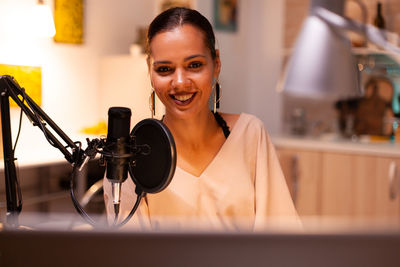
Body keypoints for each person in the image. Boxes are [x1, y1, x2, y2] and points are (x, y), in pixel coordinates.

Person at [104, 7, 300, 231]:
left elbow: (281, 236)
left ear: (216, 63)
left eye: (194, 65)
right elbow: (130, 256)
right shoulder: (128, 158)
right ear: (150, 70)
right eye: (165, 69)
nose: (179, 82)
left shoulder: (250, 134)